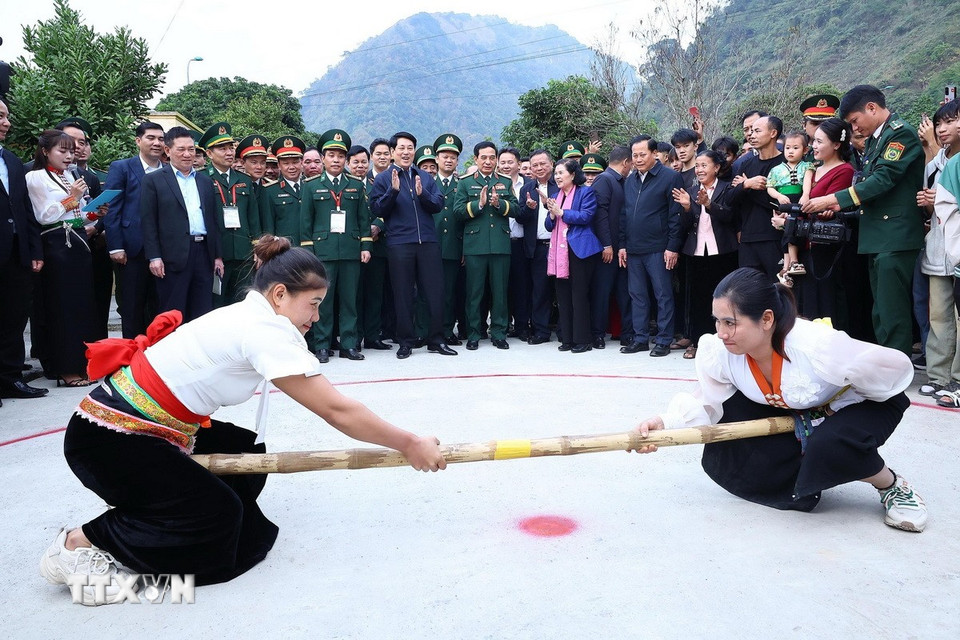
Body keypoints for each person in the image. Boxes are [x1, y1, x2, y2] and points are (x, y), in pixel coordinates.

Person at [39, 235, 447, 606]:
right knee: (215, 516)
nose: (317, 317)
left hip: (150, 431)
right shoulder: (263, 329)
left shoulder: (249, 314)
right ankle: (78, 543)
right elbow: (336, 409)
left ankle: (169, 506)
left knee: (243, 453)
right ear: (281, 293)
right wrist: (409, 444)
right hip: (111, 441)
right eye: (314, 304)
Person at [632, 267, 927, 532]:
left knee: (830, 444)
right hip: (801, 410)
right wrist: (664, 424)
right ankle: (803, 467)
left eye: (730, 323)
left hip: (866, 401)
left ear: (767, 319)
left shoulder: (817, 347)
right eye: (717, 322)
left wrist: (835, 413)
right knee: (731, 413)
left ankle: (890, 484)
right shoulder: (723, 353)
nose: (721, 333)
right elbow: (709, 400)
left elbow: (893, 371)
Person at [804, 85, 925, 356]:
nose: (855, 129)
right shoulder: (874, 141)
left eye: (855, 121)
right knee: (880, 308)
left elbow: (882, 180)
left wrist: (832, 199)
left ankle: (896, 368)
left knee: (892, 309)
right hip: (876, 235)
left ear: (872, 108)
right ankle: (885, 362)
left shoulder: (900, 134)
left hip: (895, 234)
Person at [369, 132, 455, 359]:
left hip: (427, 241)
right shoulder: (383, 179)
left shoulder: (425, 177)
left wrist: (423, 194)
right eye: (401, 148)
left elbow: (438, 204)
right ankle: (405, 341)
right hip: (399, 243)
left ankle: (436, 340)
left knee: (434, 292)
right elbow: (377, 209)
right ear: (393, 152)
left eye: (410, 148)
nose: (406, 152)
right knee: (403, 294)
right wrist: (393, 191)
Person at [25, 130, 99, 387]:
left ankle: (80, 364)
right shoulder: (35, 177)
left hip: (78, 242)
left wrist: (93, 214)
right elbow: (45, 215)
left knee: (81, 306)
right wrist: (73, 199)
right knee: (62, 307)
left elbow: (74, 216)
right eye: (62, 151)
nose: (69, 156)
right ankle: (64, 368)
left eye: (71, 151)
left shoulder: (71, 175)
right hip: (56, 245)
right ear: (45, 151)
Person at [301, 129, 371, 363]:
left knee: (350, 300)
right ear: (323, 158)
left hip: (351, 251)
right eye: (331, 155)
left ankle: (349, 344)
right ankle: (322, 345)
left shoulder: (355, 185)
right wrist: (309, 253)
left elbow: (364, 220)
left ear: (345, 160)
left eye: (340, 156)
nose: (336, 160)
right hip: (323, 252)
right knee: (324, 301)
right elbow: (306, 222)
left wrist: (366, 246)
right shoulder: (310, 186)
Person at [140, 126, 223, 323]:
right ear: (168, 151)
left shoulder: (204, 181)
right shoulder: (153, 180)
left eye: (191, 149)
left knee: (202, 312)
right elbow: (148, 221)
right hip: (172, 257)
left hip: (203, 253)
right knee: (172, 312)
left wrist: (217, 256)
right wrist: (154, 257)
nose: (187, 154)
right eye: (181, 149)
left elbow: (213, 220)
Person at [619, 136, 684, 357]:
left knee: (663, 294)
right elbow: (623, 214)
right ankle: (640, 338)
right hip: (633, 248)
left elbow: (676, 216)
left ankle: (664, 340)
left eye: (642, 154)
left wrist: (672, 247)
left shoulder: (670, 177)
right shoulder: (630, 180)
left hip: (659, 247)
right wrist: (622, 245)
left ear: (654, 154)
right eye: (634, 155)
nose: (637, 159)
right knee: (637, 295)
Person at [0, 98, 47, 402]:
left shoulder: (12, 161)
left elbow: (25, 211)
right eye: (0, 116)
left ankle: (10, 378)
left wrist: (34, 250)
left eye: (6, 116)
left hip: (15, 254)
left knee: (13, 318)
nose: (6, 122)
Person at [673, 150, 739, 359]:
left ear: (716, 167)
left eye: (704, 165)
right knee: (697, 299)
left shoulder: (727, 189)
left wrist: (709, 205)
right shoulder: (691, 191)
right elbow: (684, 226)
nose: (699, 170)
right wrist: (686, 208)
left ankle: (724, 341)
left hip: (723, 251)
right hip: (696, 251)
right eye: (698, 166)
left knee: (723, 298)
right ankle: (696, 341)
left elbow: (730, 216)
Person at [453, 141, 518, 351]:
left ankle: (499, 332)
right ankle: (474, 333)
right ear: (476, 159)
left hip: (500, 244)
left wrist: (500, 204)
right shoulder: (464, 182)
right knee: (474, 293)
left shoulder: (505, 182)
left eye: (492, 157)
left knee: (500, 292)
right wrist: (478, 204)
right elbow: (458, 211)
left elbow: (516, 209)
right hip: (475, 245)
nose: (488, 161)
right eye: (484, 158)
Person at [789, 118, 855, 321]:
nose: (813, 146)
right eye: (813, 141)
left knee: (826, 303)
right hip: (809, 246)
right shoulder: (814, 169)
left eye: (819, 142)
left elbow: (831, 207)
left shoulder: (844, 170)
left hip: (828, 248)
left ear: (836, 145)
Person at [544, 158, 602, 352]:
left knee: (579, 295)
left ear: (573, 175)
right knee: (563, 296)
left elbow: (586, 216)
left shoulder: (586, 192)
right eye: (556, 173)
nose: (557, 176)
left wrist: (561, 212)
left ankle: (583, 340)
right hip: (560, 252)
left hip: (580, 250)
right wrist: (552, 214)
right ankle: (567, 339)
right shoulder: (555, 195)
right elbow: (548, 225)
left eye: (561, 173)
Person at [730, 115, 785, 279]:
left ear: (773, 133)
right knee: (749, 292)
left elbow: (781, 204)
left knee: (780, 288)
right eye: (750, 131)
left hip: (774, 237)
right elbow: (730, 199)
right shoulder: (745, 164)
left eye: (757, 131)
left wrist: (749, 188)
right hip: (748, 239)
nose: (751, 135)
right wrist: (746, 185)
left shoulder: (784, 164)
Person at [212, 131, 263, 307]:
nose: (229, 152)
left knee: (241, 301)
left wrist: (257, 248)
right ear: (210, 153)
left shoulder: (244, 180)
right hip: (218, 252)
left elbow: (253, 217)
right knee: (216, 302)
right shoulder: (202, 178)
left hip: (243, 253)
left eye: (230, 148)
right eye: (222, 149)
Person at [588, 145, 632, 350]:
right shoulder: (604, 180)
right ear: (625, 162)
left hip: (621, 248)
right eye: (631, 163)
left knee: (624, 292)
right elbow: (600, 214)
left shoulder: (621, 181)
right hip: (607, 249)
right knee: (602, 293)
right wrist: (606, 244)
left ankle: (626, 333)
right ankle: (597, 334)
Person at [517, 149, 557, 345]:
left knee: (562, 289)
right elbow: (520, 217)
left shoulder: (561, 186)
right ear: (530, 169)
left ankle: (566, 330)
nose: (539, 168)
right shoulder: (527, 189)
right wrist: (528, 208)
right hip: (538, 247)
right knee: (539, 290)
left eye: (543, 163)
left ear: (552, 163)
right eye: (535, 165)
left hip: (560, 245)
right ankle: (541, 331)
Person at [767, 131, 814, 283]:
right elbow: (770, 187)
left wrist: (805, 194)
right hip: (783, 202)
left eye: (795, 148)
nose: (791, 151)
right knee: (788, 230)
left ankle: (786, 268)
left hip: (799, 200)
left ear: (805, 150)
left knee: (793, 229)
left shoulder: (807, 166)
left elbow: (807, 182)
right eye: (788, 148)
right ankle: (792, 262)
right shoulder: (776, 169)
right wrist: (779, 196)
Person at [432, 133, 465, 345]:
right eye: (445, 155)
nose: (449, 159)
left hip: (454, 244)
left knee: (450, 292)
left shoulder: (462, 184)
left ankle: (446, 330)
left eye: (453, 156)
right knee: (428, 292)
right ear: (437, 159)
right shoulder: (426, 183)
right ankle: (425, 330)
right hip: (431, 245)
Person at [259, 135, 306, 243]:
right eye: (286, 163)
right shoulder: (269, 191)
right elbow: (268, 226)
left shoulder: (310, 186)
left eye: (295, 162)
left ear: (301, 162)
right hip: (284, 251)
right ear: (279, 165)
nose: (291, 167)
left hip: (310, 249)